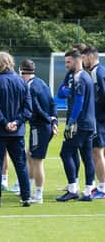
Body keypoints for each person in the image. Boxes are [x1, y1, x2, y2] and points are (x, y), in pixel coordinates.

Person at [0, 51, 32, 208]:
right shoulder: (21, 82)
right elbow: (28, 108)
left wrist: (5, 123)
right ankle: (26, 197)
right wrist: (16, 122)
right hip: (17, 131)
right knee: (21, 164)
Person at [56, 49, 96, 202]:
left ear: (77, 60)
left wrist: (71, 122)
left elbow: (79, 102)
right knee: (86, 156)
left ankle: (72, 189)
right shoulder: (78, 76)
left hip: (79, 123)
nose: (66, 65)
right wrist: (68, 91)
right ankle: (87, 192)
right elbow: (60, 92)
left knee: (65, 153)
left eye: (68, 62)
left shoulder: (80, 78)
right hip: (88, 123)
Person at [19, 59, 57, 203]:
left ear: (21, 70)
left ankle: (38, 195)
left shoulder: (30, 87)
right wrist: (53, 120)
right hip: (44, 126)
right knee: (30, 156)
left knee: (36, 160)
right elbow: (52, 102)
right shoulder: (41, 82)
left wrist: (47, 119)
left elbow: (35, 109)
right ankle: (27, 189)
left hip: (39, 127)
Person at [82, 46, 105, 199]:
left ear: (90, 56)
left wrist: (94, 111)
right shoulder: (100, 70)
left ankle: (102, 188)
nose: (83, 61)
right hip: (100, 118)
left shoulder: (97, 72)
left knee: (96, 152)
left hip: (99, 119)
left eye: (83, 58)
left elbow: (102, 95)